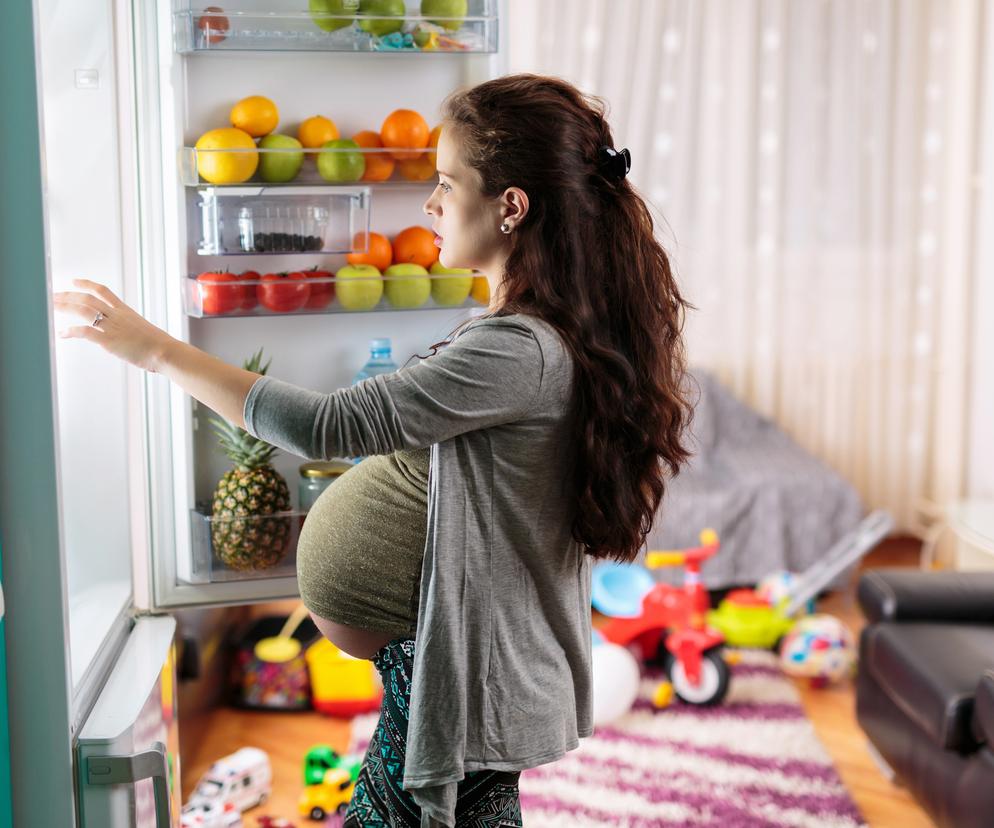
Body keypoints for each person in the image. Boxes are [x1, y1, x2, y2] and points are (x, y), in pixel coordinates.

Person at [53, 73, 693, 827]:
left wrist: (156, 350)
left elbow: (326, 427)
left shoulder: (521, 351)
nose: (429, 204)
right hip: (447, 666)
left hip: (462, 672)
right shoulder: (532, 336)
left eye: (447, 184)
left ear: (511, 207)